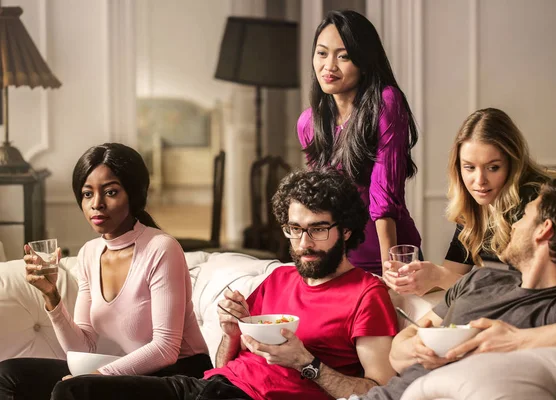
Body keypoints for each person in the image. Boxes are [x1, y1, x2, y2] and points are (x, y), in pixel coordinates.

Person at [50, 169, 399, 400]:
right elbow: (225, 360)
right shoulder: (278, 278)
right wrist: (231, 332)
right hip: (206, 387)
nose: (304, 242)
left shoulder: (366, 294)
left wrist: (305, 362)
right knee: (71, 391)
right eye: (294, 229)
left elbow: (379, 390)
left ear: (347, 231)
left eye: (318, 229)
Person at [0, 143, 211, 400]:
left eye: (111, 192)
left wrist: (99, 376)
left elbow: (165, 349)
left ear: (133, 194)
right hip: (120, 370)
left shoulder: (161, 248)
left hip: (178, 375)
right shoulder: (90, 252)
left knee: (73, 389)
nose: (96, 204)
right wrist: (51, 296)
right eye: (87, 194)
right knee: (9, 373)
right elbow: (83, 348)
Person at [358, 177, 556, 400]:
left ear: (543, 229)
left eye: (524, 216)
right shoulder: (480, 279)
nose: (513, 226)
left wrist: (519, 341)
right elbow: (399, 354)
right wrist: (411, 348)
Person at [384, 107, 556, 296]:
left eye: (493, 167)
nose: (479, 181)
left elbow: (523, 293)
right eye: (469, 167)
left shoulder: (532, 203)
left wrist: (440, 277)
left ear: (512, 164)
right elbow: (452, 273)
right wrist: (417, 278)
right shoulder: (474, 205)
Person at [297, 10, 421, 275]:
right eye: (322, 53)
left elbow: (384, 192)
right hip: (337, 258)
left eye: (343, 56)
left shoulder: (386, 103)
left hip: (387, 250)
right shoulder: (309, 122)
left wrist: (391, 268)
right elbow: (319, 203)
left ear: (363, 62)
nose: (329, 66)